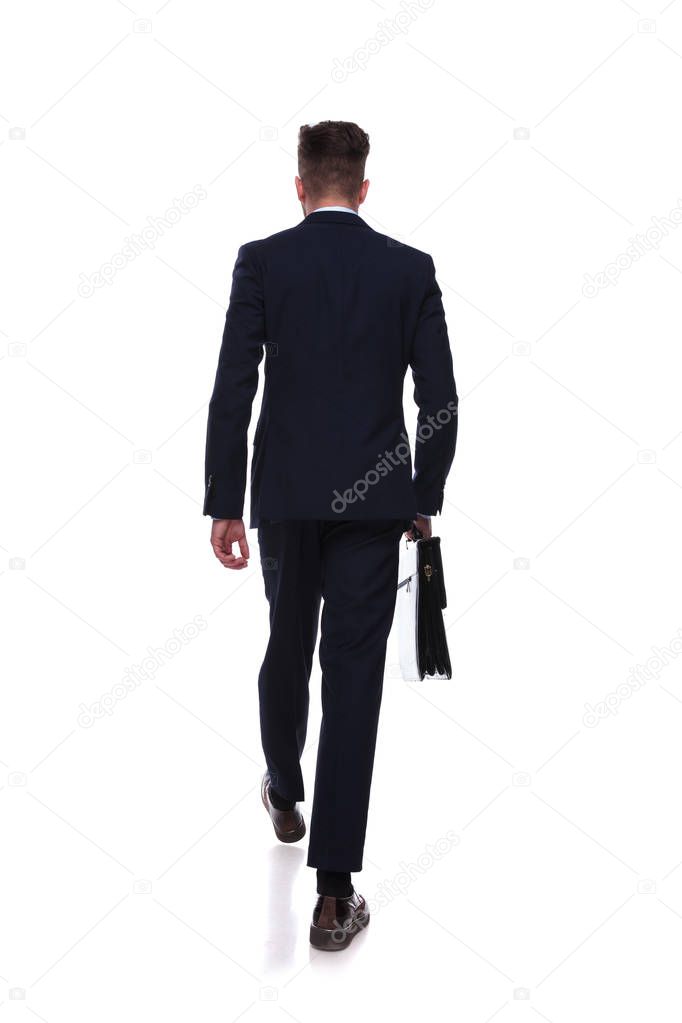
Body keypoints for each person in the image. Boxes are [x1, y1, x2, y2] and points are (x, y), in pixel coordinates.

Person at [203, 120, 458, 950]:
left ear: (303, 186)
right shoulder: (409, 269)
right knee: (351, 678)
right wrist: (424, 493)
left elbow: (233, 388)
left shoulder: (263, 260)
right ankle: (333, 892)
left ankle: (282, 784)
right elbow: (442, 401)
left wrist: (224, 501)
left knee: (286, 643)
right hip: (377, 502)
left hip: (283, 497)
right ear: (364, 186)